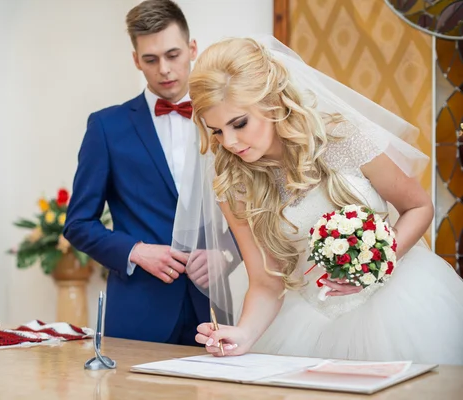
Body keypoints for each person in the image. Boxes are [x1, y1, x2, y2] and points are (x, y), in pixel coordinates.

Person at [178, 36, 463, 364]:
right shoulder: (235, 185)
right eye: (215, 130)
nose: (228, 142)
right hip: (311, 319)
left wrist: (375, 263)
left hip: (399, 303)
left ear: (272, 102)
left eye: (239, 123)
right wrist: (242, 333)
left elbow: (418, 207)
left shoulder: (345, 139)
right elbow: (266, 282)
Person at [63, 0, 213, 346]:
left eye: (173, 55)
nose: (164, 69)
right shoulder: (106, 127)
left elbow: (248, 207)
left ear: (192, 49)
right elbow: (78, 223)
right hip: (137, 316)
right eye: (150, 59)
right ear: (136, 60)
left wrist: (226, 256)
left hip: (213, 312)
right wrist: (135, 251)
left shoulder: (224, 120)